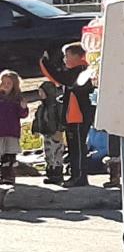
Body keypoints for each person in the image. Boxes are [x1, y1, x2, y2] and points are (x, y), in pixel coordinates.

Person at [50, 43, 96, 187]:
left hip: (79, 117)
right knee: (73, 147)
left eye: (67, 56)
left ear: (78, 56)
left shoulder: (80, 71)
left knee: (78, 147)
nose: (65, 59)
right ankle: (75, 174)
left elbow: (59, 77)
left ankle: (80, 176)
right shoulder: (74, 72)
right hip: (73, 116)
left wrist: (45, 62)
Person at [33, 70, 66, 185]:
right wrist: (36, 129)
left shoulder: (56, 106)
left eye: (42, 92)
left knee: (56, 152)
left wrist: (60, 130)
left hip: (55, 133)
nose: (40, 94)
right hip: (46, 133)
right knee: (48, 153)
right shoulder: (41, 107)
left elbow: (61, 118)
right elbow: (37, 118)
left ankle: (57, 173)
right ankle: (50, 172)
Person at [0, 69, 29, 185]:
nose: (6, 86)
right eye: (4, 82)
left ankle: (8, 176)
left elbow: (23, 114)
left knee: (9, 156)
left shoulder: (17, 99)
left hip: (11, 132)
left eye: (9, 83)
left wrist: (23, 107)